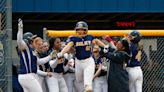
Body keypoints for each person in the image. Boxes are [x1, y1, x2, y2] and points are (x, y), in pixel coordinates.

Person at [57, 21, 106, 92]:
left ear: (86, 30)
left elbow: (97, 41)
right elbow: (68, 46)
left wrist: (105, 46)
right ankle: (85, 88)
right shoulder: (73, 38)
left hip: (88, 60)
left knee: (87, 83)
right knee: (79, 79)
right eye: (79, 30)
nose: (81, 32)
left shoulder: (90, 37)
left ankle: (88, 87)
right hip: (78, 61)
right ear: (76, 30)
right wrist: (61, 53)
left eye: (83, 30)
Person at [17, 19, 55, 92]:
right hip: (27, 76)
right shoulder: (25, 47)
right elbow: (19, 41)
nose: (35, 42)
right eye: (33, 40)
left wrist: (50, 57)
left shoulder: (32, 51)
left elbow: (39, 62)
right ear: (29, 41)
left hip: (26, 76)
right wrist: (20, 29)